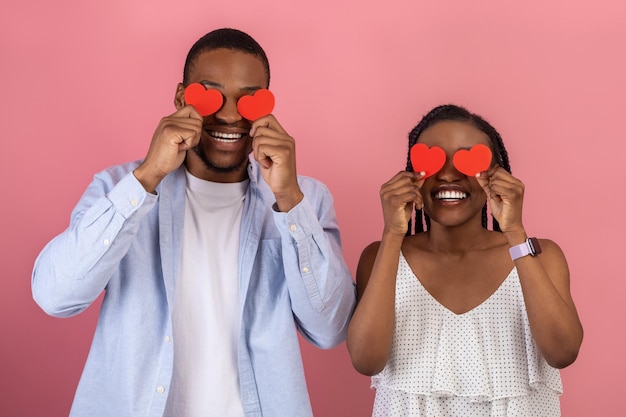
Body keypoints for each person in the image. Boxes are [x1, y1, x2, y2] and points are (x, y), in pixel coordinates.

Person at [32, 28, 356, 417]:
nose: (231, 115)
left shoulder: (306, 199)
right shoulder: (118, 187)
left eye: (249, 99)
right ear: (181, 97)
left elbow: (331, 328)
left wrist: (289, 201)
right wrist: (148, 176)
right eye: (211, 94)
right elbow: (55, 297)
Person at [346, 104, 583, 416]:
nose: (447, 174)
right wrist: (393, 232)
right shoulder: (380, 257)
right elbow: (365, 360)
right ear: (411, 175)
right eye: (432, 160)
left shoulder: (539, 255)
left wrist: (514, 231)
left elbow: (562, 352)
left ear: (497, 176)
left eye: (467, 160)